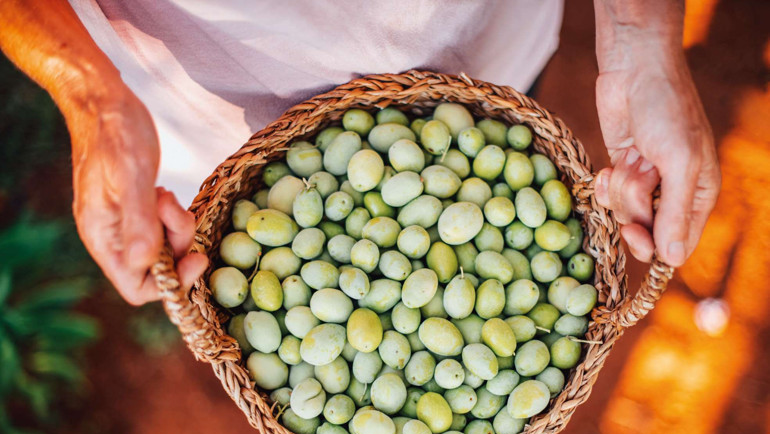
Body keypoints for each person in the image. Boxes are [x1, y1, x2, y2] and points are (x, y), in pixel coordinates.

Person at [0, 0, 720, 306]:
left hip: (478, 36)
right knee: (238, 236)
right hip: (216, 104)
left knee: (489, 128)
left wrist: (639, 39)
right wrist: (91, 95)